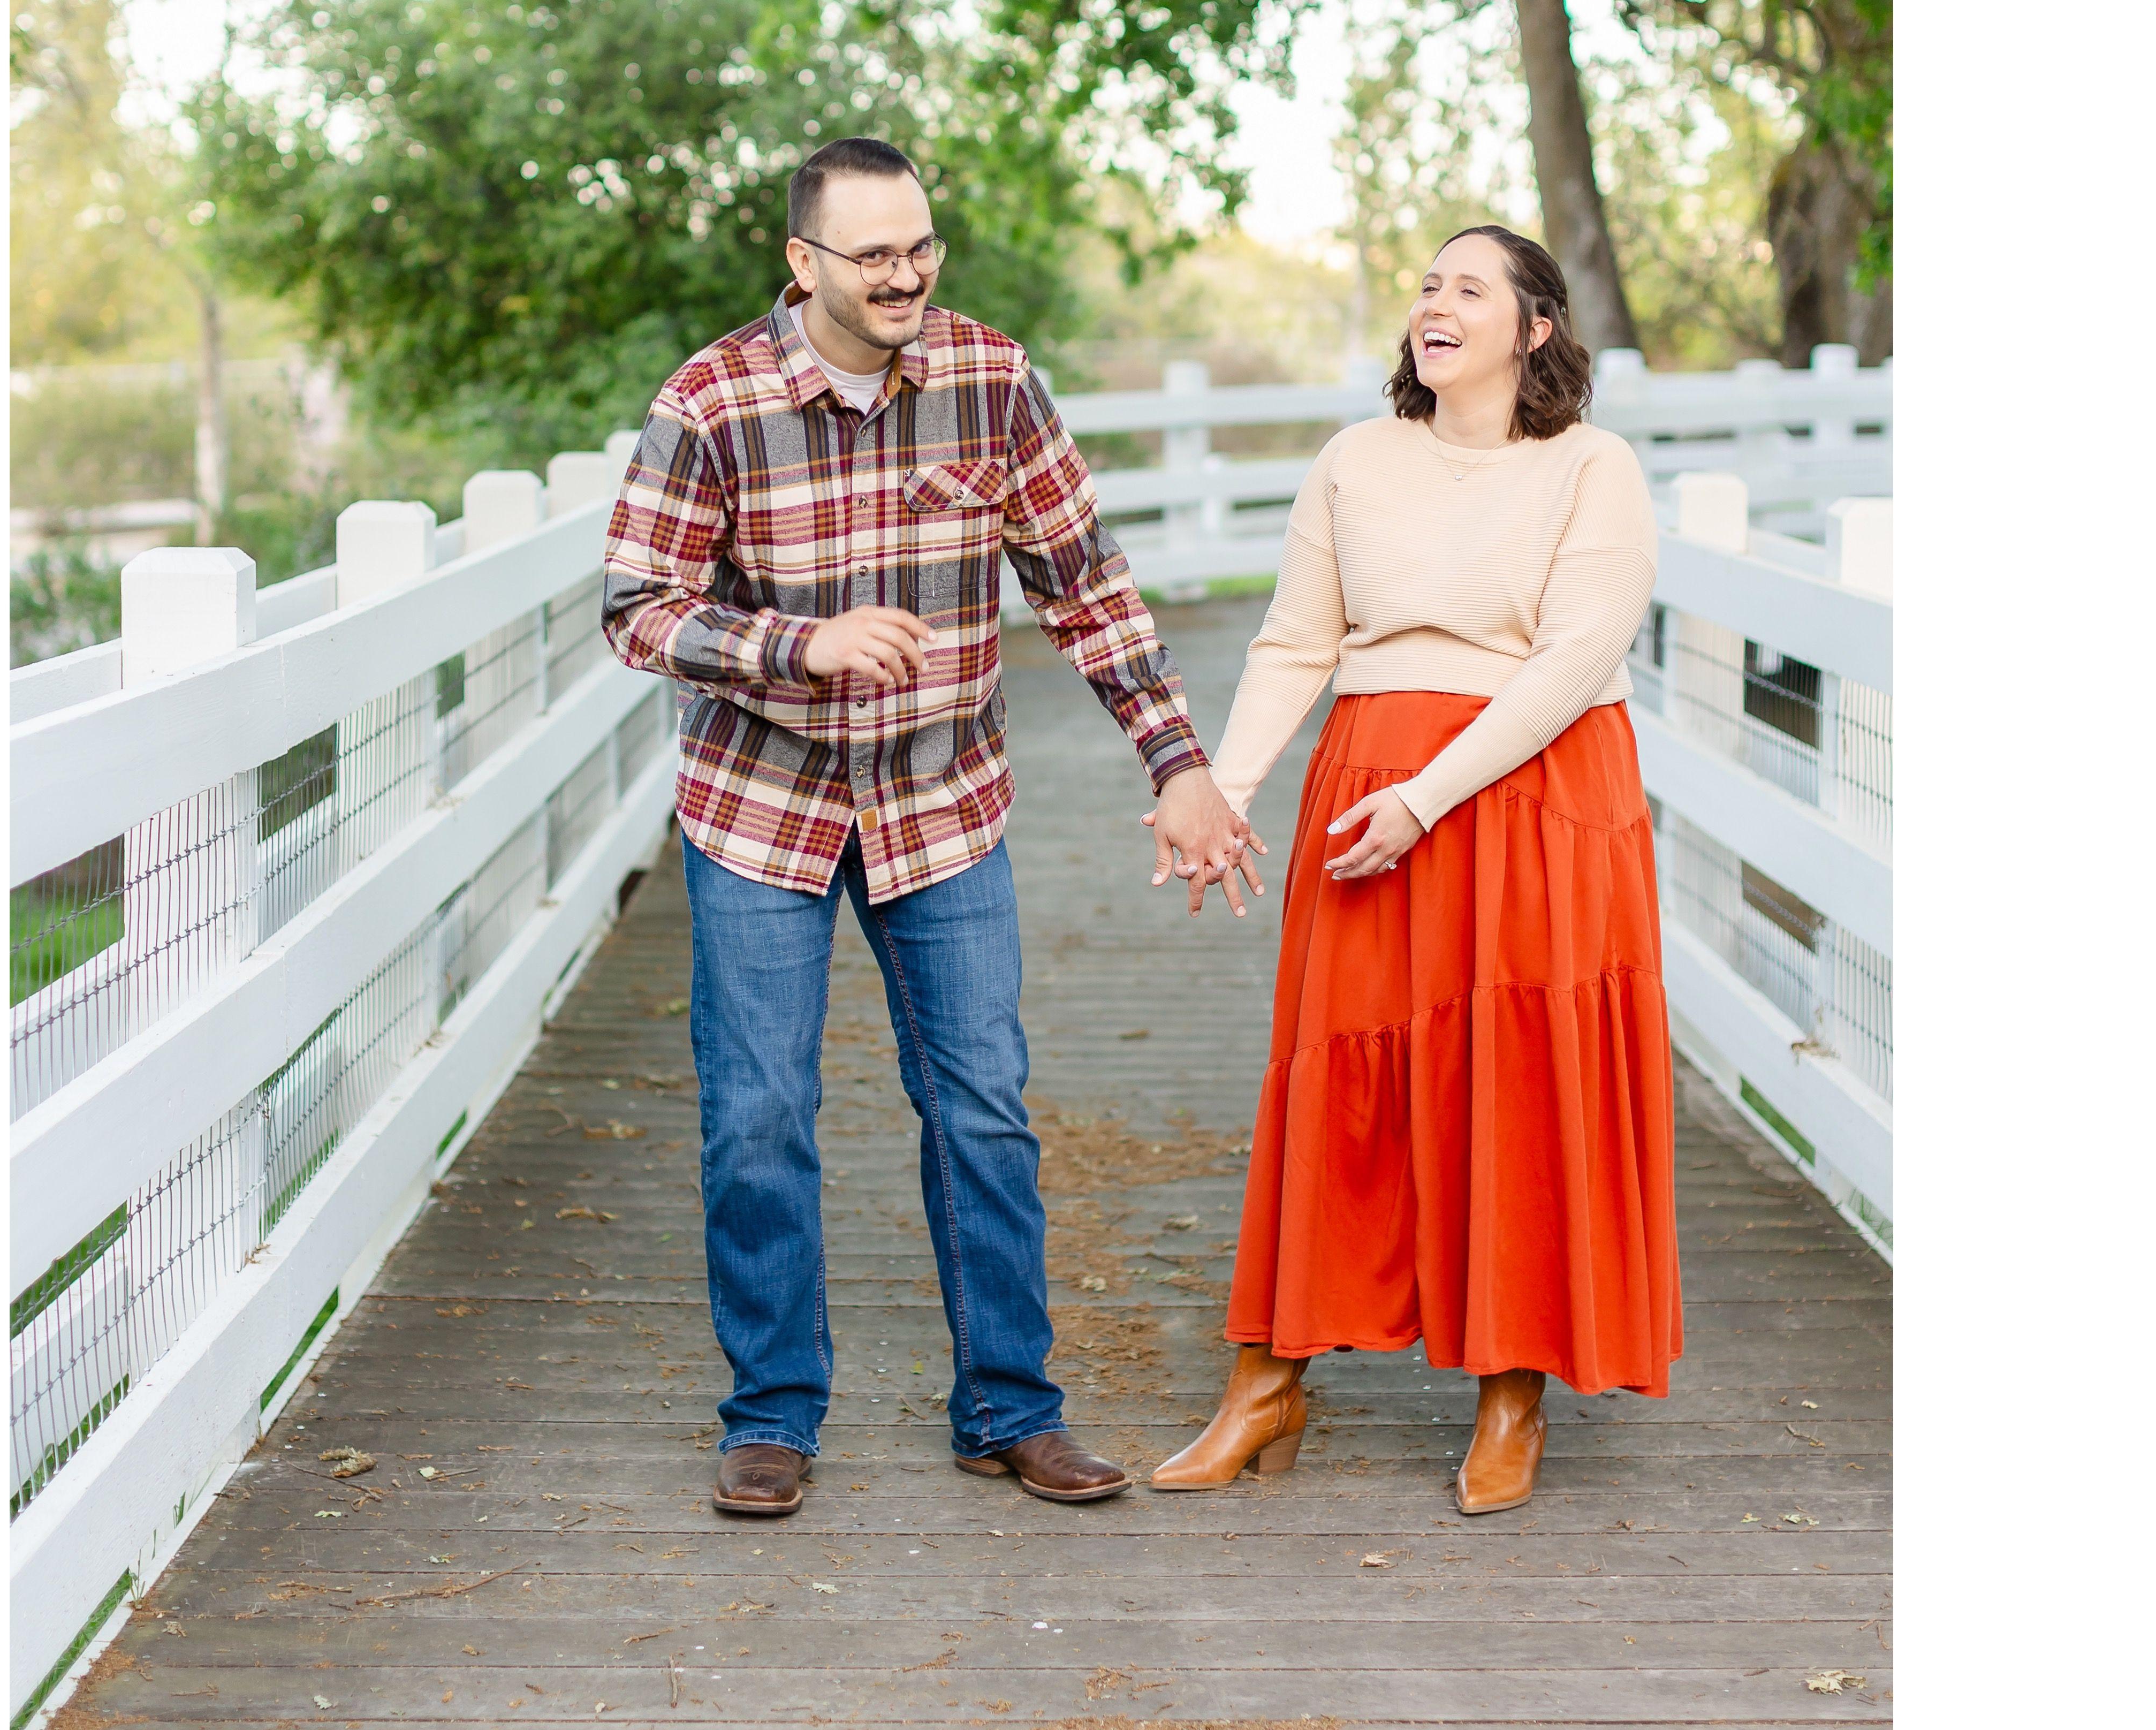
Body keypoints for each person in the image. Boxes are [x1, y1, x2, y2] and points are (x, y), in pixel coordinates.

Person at [602, 136, 1264, 1521]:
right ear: (803, 264)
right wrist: (798, 647)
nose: (905, 276)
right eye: (873, 255)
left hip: (941, 804)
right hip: (763, 810)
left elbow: (1086, 588)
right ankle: (772, 1413)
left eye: (920, 247)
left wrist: (1179, 763)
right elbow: (638, 609)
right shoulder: (712, 402)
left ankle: (1010, 1410)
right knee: (758, 1117)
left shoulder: (992, 381)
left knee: (983, 1108)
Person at [1148, 226, 1679, 1514]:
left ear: (1535, 330)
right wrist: (1228, 789)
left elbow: (1571, 664)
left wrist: (1429, 798)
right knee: (1336, 1077)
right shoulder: (1356, 460)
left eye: (1470, 289)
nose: (1436, 303)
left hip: (1531, 796)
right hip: (1367, 787)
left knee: (1517, 1081)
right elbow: (1296, 640)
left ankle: (1512, 1394)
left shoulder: (1593, 469)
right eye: (1429, 286)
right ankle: (1267, 1381)